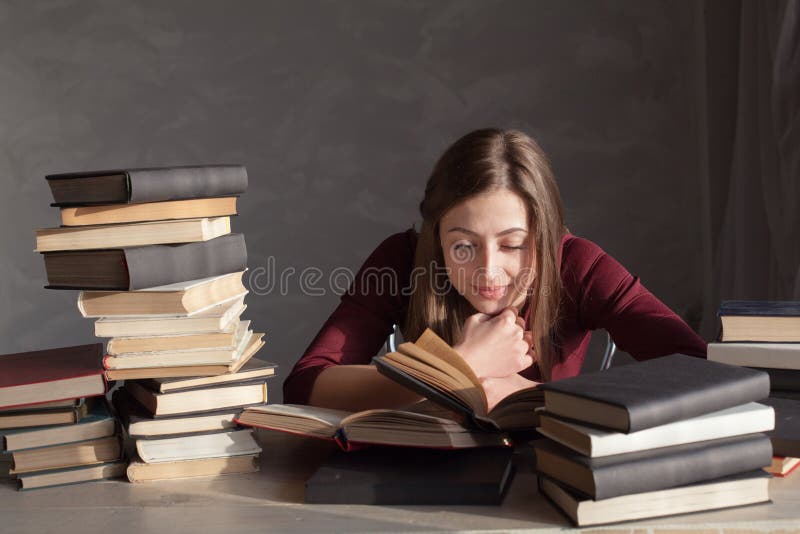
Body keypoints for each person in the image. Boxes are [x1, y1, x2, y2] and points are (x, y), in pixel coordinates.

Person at [283, 128, 707, 412]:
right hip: (421, 481)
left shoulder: (577, 264)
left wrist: (531, 396)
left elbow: (703, 374)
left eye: (513, 244)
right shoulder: (402, 259)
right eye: (463, 245)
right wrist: (458, 365)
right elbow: (306, 383)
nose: (489, 270)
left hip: (549, 481)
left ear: (544, 235)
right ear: (436, 236)